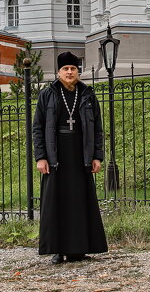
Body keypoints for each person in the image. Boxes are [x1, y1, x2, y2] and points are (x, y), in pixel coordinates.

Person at [32, 51, 108, 263]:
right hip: (56, 155)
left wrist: (97, 156)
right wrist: (41, 157)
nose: (69, 72)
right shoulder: (47, 95)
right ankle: (58, 249)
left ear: (78, 72)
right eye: (65, 69)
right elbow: (37, 127)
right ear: (58, 72)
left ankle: (79, 249)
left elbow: (98, 128)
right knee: (57, 202)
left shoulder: (87, 94)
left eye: (73, 69)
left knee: (79, 201)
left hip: (80, 153)